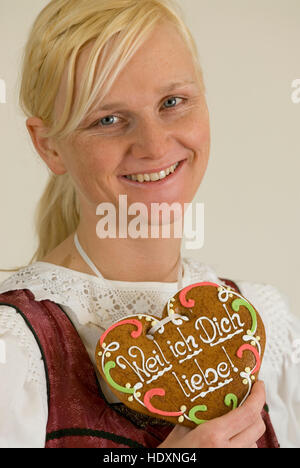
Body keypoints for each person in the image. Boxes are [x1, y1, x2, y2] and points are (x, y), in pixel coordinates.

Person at [0, 0, 299, 448]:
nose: (155, 146)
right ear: (50, 147)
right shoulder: (15, 352)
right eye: (109, 119)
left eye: (172, 102)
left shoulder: (264, 320)